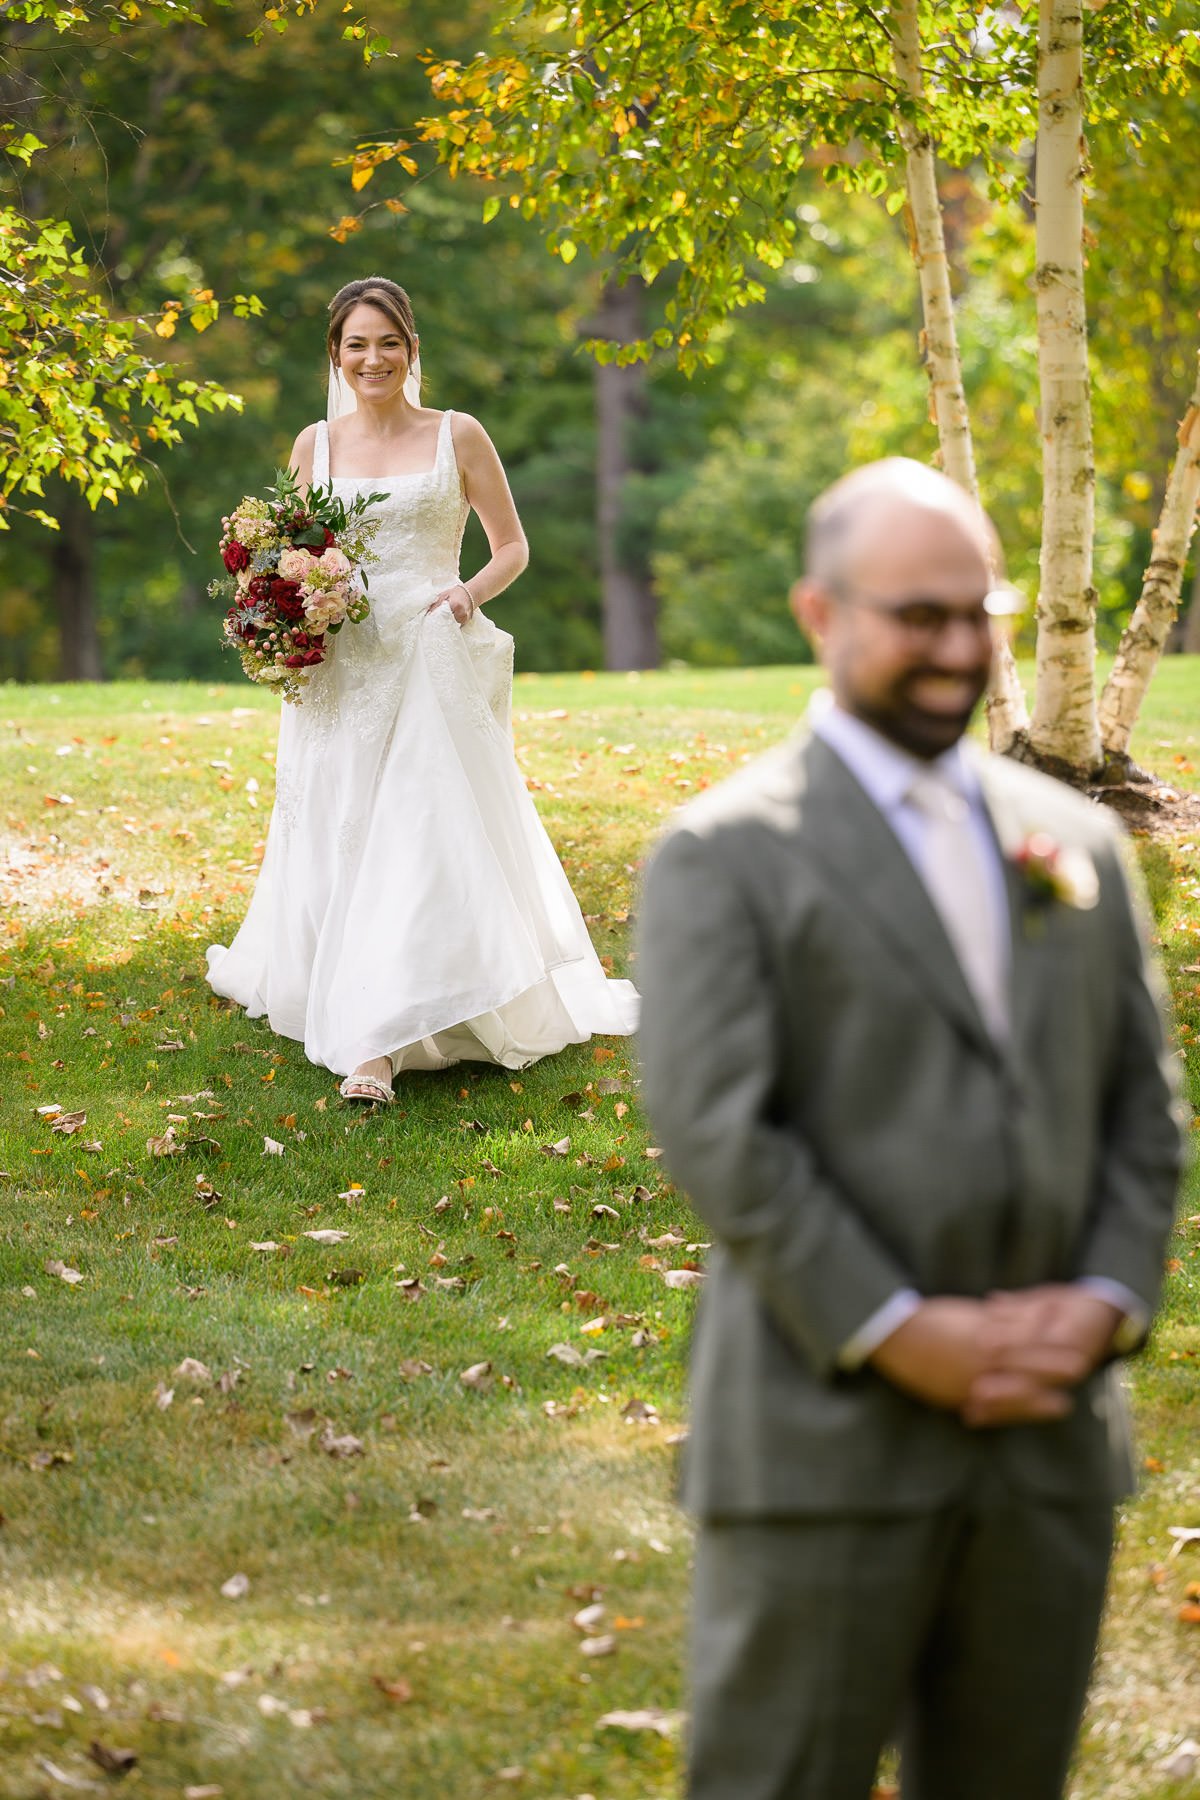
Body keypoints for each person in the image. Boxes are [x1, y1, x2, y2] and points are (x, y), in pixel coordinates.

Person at [637, 458, 1182, 1800]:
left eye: (976, 610)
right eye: (915, 616)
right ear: (821, 617)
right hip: (825, 1446)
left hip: (1047, 1445)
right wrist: (900, 1328)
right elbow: (721, 1133)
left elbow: (1144, 1108)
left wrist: (1106, 1300)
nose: (955, 647)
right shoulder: (724, 854)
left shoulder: (1076, 843)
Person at [207, 276, 637, 1100]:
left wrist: (469, 593)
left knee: (417, 828)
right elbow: (292, 555)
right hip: (342, 667)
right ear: (335, 355)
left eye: (389, 342)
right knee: (350, 831)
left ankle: (378, 1042)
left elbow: (512, 546)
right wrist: (282, 614)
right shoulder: (314, 446)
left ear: (411, 349)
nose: (374, 358)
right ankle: (368, 1003)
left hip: (429, 652)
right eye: (356, 345)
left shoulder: (458, 435)